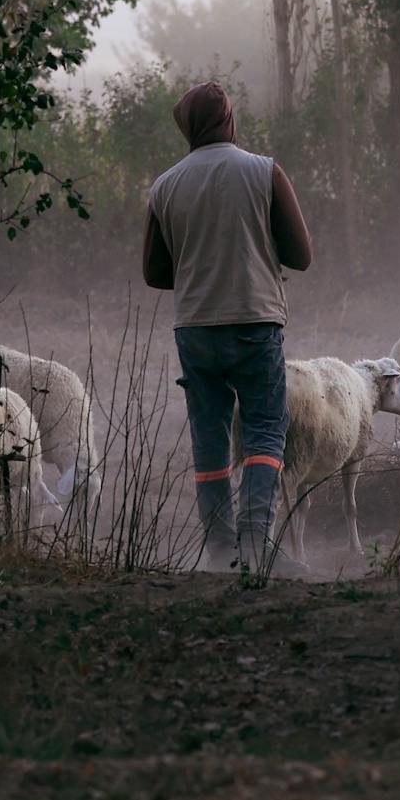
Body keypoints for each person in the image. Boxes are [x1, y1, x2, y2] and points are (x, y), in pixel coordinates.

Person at [143, 81, 314, 576]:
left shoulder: (165, 185)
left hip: (195, 327)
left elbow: (156, 275)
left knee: (210, 437)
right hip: (255, 322)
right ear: (229, 121)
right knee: (264, 428)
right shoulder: (264, 172)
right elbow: (301, 256)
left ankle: (219, 550)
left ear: (187, 126)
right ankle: (257, 544)